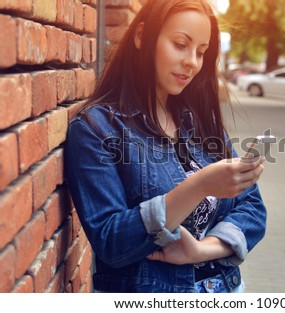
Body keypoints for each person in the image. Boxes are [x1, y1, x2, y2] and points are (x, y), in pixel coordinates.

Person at [64, 0, 267, 293]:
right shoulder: (96, 129)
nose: (192, 62)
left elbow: (253, 208)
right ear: (141, 36)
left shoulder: (199, 121)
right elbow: (110, 240)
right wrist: (198, 186)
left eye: (201, 52)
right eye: (180, 44)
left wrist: (201, 250)